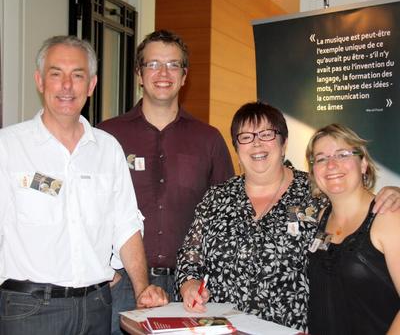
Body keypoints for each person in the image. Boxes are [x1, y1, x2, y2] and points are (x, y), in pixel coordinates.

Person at [175, 101, 400, 331]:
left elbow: (356, 202)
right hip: (222, 327)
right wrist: (189, 284)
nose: (257, 143)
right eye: (246, 137)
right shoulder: (216, 197)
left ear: (284, 144)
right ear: (236, 148)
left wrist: (394, 193)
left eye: (266, 134)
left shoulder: (315, 193)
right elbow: (189, 257)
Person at [0, 35, 167, 335]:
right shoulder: (8, 147)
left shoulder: (108, 149)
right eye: (56, 74)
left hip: (96, 308)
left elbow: (126, 225)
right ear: (40, 81)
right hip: (29, 311)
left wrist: (142, 288)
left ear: (91, 85)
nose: (67, 86)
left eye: (77, 76)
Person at [97, 30, 234, 334]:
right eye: (153, 64)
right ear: (139, 74)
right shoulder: (107, 137)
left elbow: (227, 216)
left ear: (184, 77)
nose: (163, 73)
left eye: (173, 65)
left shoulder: (208, 139)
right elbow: (85, 208)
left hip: (189, 289)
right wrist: (106, 270)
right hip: (121, 285)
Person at [305, 123, 400, 335]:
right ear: (313, 171)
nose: (331, 165)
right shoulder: (322, 217)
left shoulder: (388, 217)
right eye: (321, 158)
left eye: (342, 154)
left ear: (363, 163)